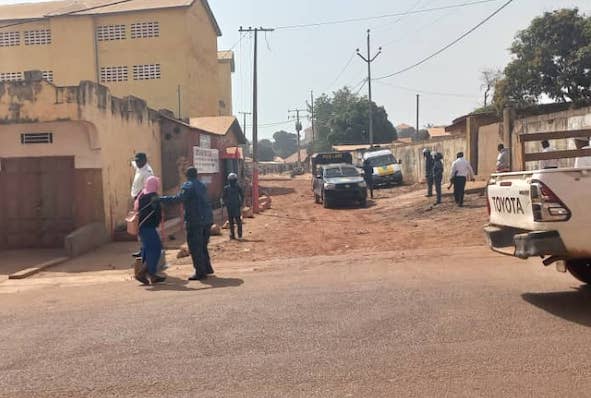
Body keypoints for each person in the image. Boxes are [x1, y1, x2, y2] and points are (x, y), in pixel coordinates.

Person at [160, 167, 214, 281]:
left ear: (187, 175)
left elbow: (179, 199)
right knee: (203, 245)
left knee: (195, 247)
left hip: (195, 220)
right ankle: (207, 268)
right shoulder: (201, 185)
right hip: (207, 219)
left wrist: (161, 199)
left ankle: (200, 272)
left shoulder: (188, 185)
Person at [135, 176, 165, 285]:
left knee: (147, 250)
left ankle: (152, 276)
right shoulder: (154, 197)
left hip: (141, 227)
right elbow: (158, 213)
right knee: (156, 249)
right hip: (149, 227)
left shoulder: (142, 195)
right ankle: (142, 273)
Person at [131, 152, 153, 258]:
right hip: (137, 200)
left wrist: (139, 201)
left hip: (142, 201)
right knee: (139, 227)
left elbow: (147, 190)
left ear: (145, 161)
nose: (137, 163)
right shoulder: (139, 167)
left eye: (139, 161)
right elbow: (133, 163)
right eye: (136, 161)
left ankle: (145, 250)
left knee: (142, 226)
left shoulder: (147, 173)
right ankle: (142, 249)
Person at [222, 173, 244, 240]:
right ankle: (239, 235)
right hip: (236, 206)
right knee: (238, 221)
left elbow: (223, 197)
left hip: (230, 206)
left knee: (232, 221)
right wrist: (241, 203)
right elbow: (242, 195)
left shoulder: (226, 188)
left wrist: (225, 203)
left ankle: (233, 235)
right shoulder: (237, 187)